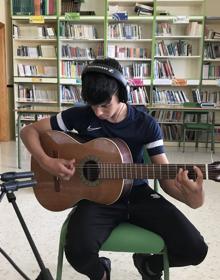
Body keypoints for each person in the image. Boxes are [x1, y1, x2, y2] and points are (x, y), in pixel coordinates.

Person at [20, 57, 208, 280]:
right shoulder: (80, 115)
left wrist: (195, 197)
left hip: (138, 195)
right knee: (77, 251)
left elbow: (166, 178)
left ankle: (149, 265)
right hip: (97, 198)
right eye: (93, 105)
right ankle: (102, 273)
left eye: (105, 104)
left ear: (122, 93)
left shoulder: (146, 124)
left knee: (196, 249)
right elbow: (28, 131)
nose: (98, 112)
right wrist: (46, 161)